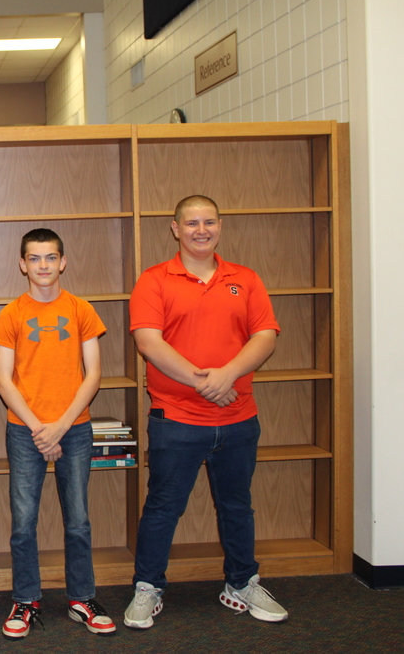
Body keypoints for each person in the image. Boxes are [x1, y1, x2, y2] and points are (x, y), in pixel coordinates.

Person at [124, 195, 287, 629]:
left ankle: (241, 583)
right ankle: (147, 587)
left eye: (209, 222)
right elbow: (149, 343)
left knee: (237, 507)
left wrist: (227, 375)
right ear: (175, 228)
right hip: (175, 419)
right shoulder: (154, 280)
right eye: (191, 223)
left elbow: (265, 335)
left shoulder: (245, 279)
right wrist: (204, 383)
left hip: (238, 419)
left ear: (220, 225)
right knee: (162, 507)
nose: (201, 230)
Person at [0, 228, 115, 639]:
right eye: (34, 258)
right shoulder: (12, 313)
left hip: (74, 429)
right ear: (23, 264)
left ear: (62, 262)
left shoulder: (81, 309)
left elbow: (93, 374)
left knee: (77, 519)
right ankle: (25, 600)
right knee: (23, 522)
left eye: (50, 257)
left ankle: (81, 598)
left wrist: (60, 425)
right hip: (25, 431)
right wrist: (38, 427)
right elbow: (4, 381)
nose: (43, 265)